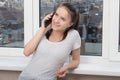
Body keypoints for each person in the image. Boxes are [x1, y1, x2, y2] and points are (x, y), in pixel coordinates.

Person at [18, 2, 81, 80]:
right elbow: (26, 52)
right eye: (56, 15)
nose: (56, 20)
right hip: (25, 77)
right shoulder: (43, 31)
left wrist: (66, 67)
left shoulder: (73, 35)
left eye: (62, 19)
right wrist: (42, 29)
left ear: (70, 24)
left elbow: (76, 61)